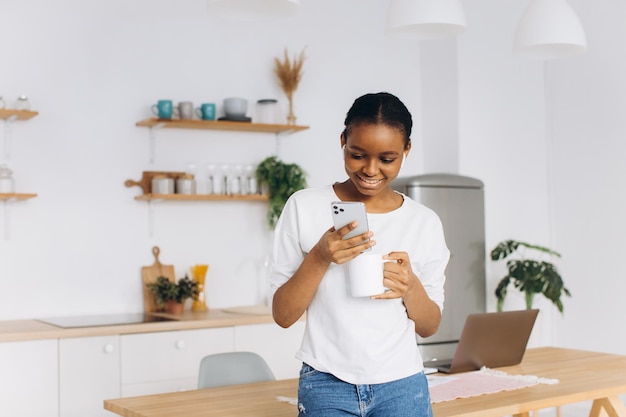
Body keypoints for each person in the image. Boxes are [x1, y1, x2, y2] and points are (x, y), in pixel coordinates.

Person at [270, 92, 450, 417]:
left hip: (402, 384)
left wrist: (410, 287)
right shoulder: (305, 207)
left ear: (406, 150)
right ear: (343, 141)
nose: (370, 169)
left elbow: (429, 326)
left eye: (387, 158)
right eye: (358, 154)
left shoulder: (424, 222)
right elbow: (283, 316)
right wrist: (320, 256)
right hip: (325, 381)